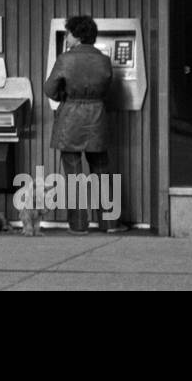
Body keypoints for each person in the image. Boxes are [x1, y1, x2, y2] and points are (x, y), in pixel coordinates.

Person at [43, 14, 129, 234]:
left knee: (73, 173)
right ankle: (109, 223)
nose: (68, 38)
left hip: (70, 119)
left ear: (78, 35)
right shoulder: (103, 59)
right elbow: (107, 86)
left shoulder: (65, 58)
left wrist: (65, 94)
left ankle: (79, 225)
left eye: (69, 34)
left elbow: (50, 90)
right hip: (97, 117)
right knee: (101, 170)